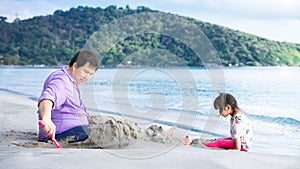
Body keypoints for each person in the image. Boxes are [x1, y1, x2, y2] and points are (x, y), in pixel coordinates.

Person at [37, 50, 100, 143]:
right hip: (59, 134)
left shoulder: (71, 80)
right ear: (75, 66)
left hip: (74, 130)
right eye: (85, 72)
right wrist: (46, 118)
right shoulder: (61, 80)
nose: (87, 77)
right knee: (109, 131)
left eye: (91, 74)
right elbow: (47, 98)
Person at [183, 93, 253, 152]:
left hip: (242, 146)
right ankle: (197, 141)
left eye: (220, 109)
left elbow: (237, 148)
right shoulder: (240, 114)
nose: (219, 113)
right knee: (220, 139)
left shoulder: (236, 122)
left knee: (220, 142)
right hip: (245, 143)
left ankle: (195, 143)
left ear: (228, 107)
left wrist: (231, 151)